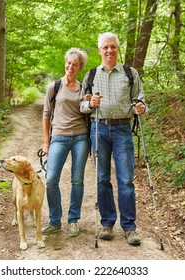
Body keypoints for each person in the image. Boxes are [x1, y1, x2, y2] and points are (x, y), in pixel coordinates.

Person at [80, 32, 146, 246]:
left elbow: (142, 101)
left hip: (123, 130)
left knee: (126, 179)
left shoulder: (130, 73)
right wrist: (91, 105)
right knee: (102, 178)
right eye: (105, 47)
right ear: (99, 50)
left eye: (113, 47)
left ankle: (129, 227)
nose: (109, 50)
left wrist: (141, 107)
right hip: (99, 129)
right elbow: (82, 106)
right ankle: (107, 222)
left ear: (118, 49)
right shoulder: (90, 75)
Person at [41, 47, 89, 237]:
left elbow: (88, 111)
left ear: (80, 68)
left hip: (80, 137)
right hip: (58, 137)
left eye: (75, 64)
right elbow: (46, 115)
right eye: (68, 63)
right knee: (51, 180)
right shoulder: (54, 86)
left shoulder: (84, 88)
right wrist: (46, 142)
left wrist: (88, 102)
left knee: (77, 180)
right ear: (65, 63)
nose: (70, 66)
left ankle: (73, 220)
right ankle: (55, 221)